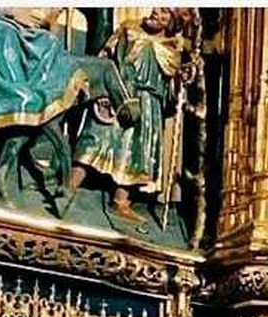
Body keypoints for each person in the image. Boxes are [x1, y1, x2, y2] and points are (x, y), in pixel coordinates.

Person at [68, 7, 201, 223]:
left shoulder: (171, 52)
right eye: (158, 7)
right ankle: (70, 184)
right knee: (96, 139)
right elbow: (104, 60)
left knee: (137, 152)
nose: (156, 11)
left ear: (172, 24)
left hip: (149, 107)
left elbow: (171, 94)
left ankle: (121, 201)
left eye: (165, 12)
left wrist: (181, 81)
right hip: (119, 93)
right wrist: (101, 88)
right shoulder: (129, 30)